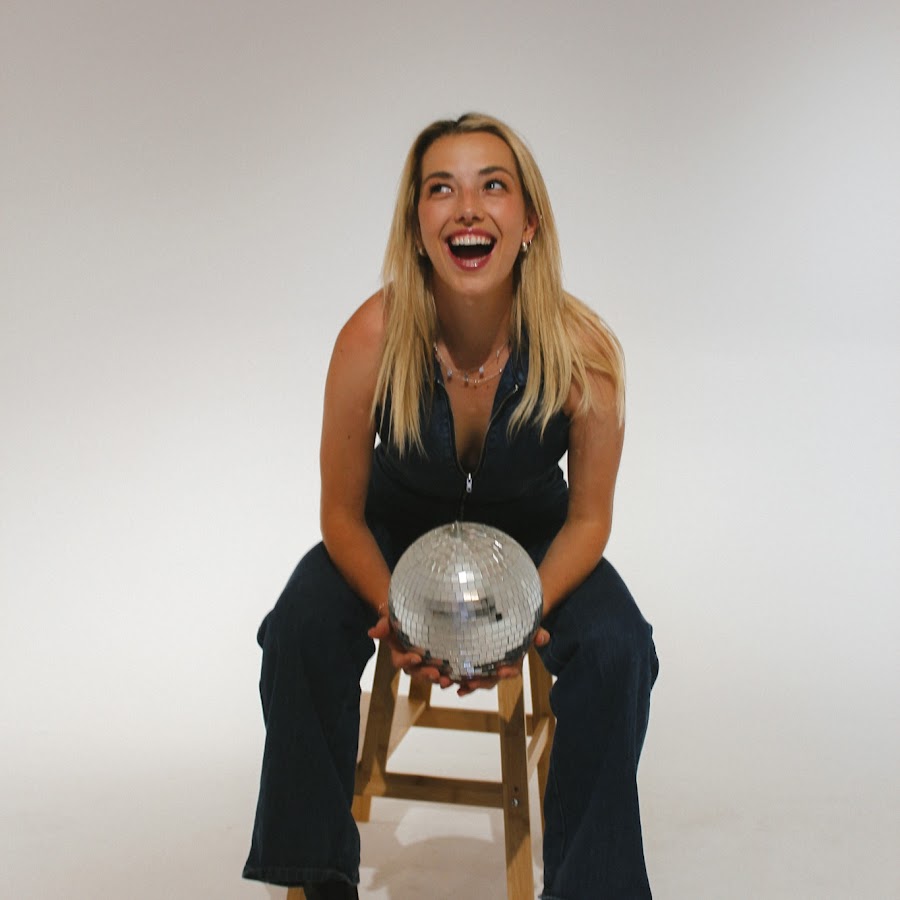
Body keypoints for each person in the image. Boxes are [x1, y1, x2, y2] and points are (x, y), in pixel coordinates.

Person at [243, 113, 659, 900]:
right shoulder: (370, 337)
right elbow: (340, 515)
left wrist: (526, 611)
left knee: (619, 649)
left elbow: (589, 521)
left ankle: (590, 888)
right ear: (417, 226)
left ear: (528, 222)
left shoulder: (585, 350)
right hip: (392, 532)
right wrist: (396, 610)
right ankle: (317, 878)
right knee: (298, 630)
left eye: (492, 186)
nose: (467, 208)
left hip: (535, 538)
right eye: (442, 189)